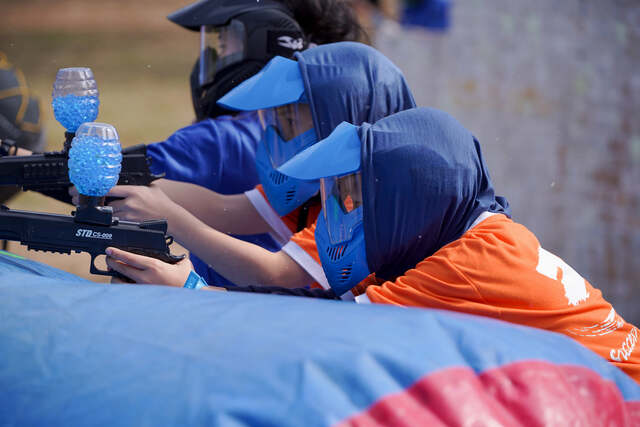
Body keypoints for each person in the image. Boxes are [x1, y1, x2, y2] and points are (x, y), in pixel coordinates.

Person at [275, 107, 640, 383]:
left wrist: (221, 300)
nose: (343, 214)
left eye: (357, 200)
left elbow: (331, 324)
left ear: (410, 203)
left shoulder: (468, 265)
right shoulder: (489, 233)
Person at [104, 42, 415, 294]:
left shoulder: (359, 205)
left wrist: (171, 220)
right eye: (276, 121)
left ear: (339, 126)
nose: (277, 135)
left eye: (290, 122)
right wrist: (116, 187)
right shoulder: (313, 191)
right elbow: (222, 208)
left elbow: (275, 273)